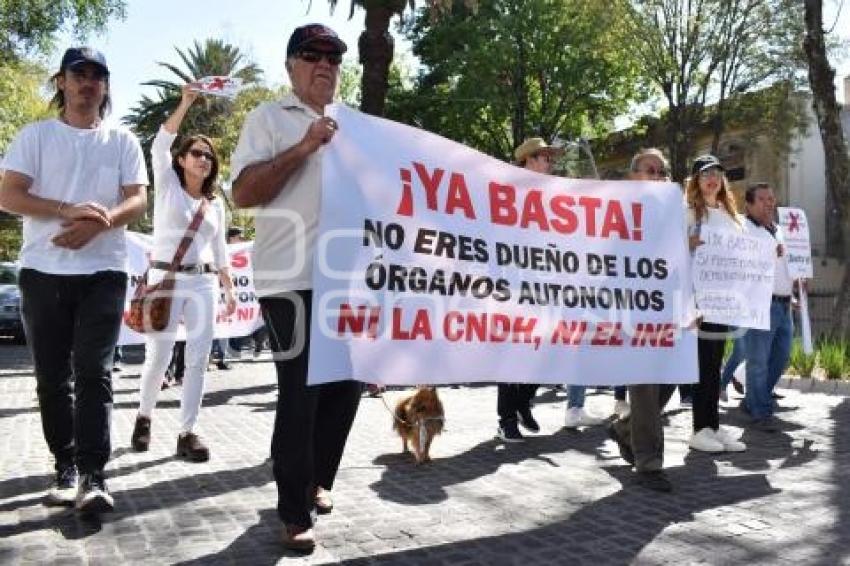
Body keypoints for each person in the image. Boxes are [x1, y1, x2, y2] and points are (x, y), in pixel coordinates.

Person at [230, 23, 363, 552]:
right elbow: (243, 192)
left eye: (334, 57)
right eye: (312, 55)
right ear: (290, 66)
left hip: (347, 283)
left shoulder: (356, 126)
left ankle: (314, 478)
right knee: (299, 394)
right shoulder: (268, 119)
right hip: (287, 281)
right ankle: (293, 511)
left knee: (346, 389)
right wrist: (305, 147)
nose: (325, 64)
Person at [0, 47, 148, 513]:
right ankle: (64, 465)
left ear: (105, 86)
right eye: (78, 74)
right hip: (43, 272)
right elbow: (9, 194)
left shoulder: (122, 140)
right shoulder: (36, 136)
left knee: (93, 371)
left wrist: (99, 224)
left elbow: (137, 200)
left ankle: (93, 473)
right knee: (50, 377)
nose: (88, 82)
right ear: (61, 82)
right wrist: (67, 211)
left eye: (97, 75)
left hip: (104, 272)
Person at [130, 83, 237, 461]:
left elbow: (220, 249)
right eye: (196, 153)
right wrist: (186, 102)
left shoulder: (215, 206)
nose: (203, 160)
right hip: (165, 279)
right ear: (181, 160)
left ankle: (187, 432)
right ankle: (144, 417)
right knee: (158, 356)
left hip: (203, 283)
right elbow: (159, 145)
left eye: (208, 156)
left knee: (198, 357)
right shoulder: (168, 187)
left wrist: (228, 288)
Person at [606, 148, 680, 492]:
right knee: (645, 384)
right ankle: (649, 461)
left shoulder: (674, 213)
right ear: (632, 176)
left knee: (670, 380)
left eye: (661, 171)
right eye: (649, 169)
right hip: (632, 309)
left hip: (669, 307)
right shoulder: (614, 209)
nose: (656, 175)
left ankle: (624, 429)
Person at [495, 137, 564, 442]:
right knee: (513, 354)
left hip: (547, 285)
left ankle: (523, 401)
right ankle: (506, 418)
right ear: (528, 160)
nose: (550, 162)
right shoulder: (507, 192)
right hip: (514, 283)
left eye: (551, 157)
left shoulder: (557, 195)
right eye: (545, 157)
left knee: (549, 351)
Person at [686, 155, 746, 453]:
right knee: (703, 366)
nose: (712, 178)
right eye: (705, 173)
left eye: (717, 173)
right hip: (699, 303)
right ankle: (700, 429)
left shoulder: (728, 214)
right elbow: (668, 253)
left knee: (715, 365)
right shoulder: (688, 214)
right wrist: (688, 245)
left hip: (723, 302)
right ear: (696, 181)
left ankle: (713, 426)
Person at [741, 182, 793, 432]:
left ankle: (754, 399)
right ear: (749, 205)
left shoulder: (780, 230)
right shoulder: (743, 231)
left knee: (781, 356)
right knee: (758, 361)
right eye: (762, 199)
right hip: (761, 303)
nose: (769, 203)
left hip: (785, 305)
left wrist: (798, 282)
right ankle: (759, 409)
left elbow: (785, 266)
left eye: (771, 198)